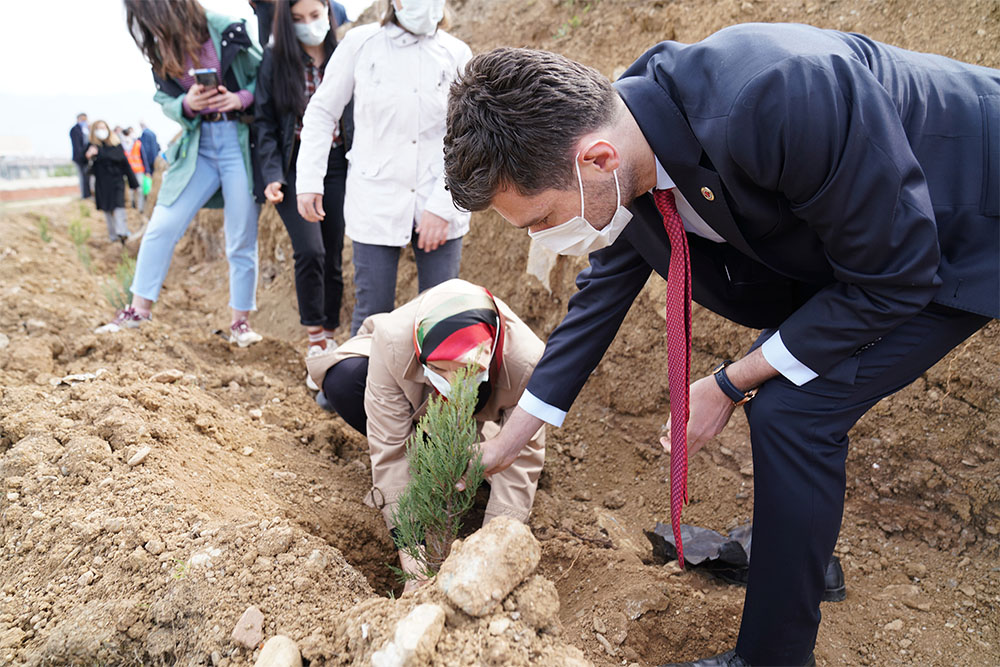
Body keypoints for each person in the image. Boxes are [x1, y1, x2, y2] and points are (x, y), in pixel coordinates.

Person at [443, 25, 999, 667]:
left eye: (541, 218)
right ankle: (795, 552)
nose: (545, 237)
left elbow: (895, 274)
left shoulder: (779, 94)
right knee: (785, 379)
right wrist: (506, 444)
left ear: (595, 159)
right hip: (865, 244)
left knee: (794, 410)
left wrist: (729, 382)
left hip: (961, 220)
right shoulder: (627, 141)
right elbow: (601, 298)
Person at [306, 278, 545, 590]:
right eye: (441, 369)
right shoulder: (393, 340)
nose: (453, 379)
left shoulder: (527, 362)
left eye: (465, 370)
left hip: (486, 407)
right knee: (345, 381)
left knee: (502, 463)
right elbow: (388, 449)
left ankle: (464, 459)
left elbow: (522, 458)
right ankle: (429, 454)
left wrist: (491, 552)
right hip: (406, 386)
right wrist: (414, 563)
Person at [296, 0, 472, 335]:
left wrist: (442, 205)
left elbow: (466, 138)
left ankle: (435, 390)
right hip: (375, 198)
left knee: (441, 315)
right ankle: (355, 388)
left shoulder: (457, 53)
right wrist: (309, 180)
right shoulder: (361, 44)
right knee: (372, 313)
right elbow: (321, 112)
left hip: (438, 195)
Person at [98, 0, 263, 346]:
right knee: (161, 226)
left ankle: (240, 324)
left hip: (239, 143)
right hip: (197, 148)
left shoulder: (228, 27)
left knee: (241, 238)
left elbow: (266, 76)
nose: (151, 26)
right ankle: (138, 311)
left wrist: (241, 98)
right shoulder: (161, 49)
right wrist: (188, 104)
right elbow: (165, 98)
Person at [255, 0, 349, 387]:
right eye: (298, 20)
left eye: (315, 16)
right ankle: (315, 341)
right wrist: (272, 174)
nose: (309, 26)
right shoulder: (276, 62)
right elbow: (264, 122)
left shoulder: (346, 55)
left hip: (339, 165)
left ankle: (330, 333)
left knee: (334, 255)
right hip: (295, 170)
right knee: (310, 250)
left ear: (329, 12)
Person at [85, 119, 139, 244]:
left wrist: (133, 183)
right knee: (107, 209)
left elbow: (125, 164)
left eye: (103, 127)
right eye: (98, 128)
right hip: (102, 183)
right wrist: (89, 157)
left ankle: (122, 232)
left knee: (119, 206)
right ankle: (113, 236)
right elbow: (87, 169)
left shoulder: (116, 145)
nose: (101, 131)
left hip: (116, 181)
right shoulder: (92, 147)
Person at [122, 127, 147, 212]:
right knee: (131, 190)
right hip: (128, 171)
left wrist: (147, 170)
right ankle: (132, 206)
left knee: (140, 190)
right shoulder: (122, 145)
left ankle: (140, 208)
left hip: (139, 170)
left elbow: (143, 157)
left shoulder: (137, 144)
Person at [69, 113, 91, 198]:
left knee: (87, 177)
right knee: (82, 176)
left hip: (86, 157)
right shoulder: (75, 130)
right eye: (82, 119)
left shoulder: (86, 129)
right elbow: (77, 145)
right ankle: (85, 195)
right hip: (79, 158)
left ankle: (88, 193)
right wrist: (83, 155)